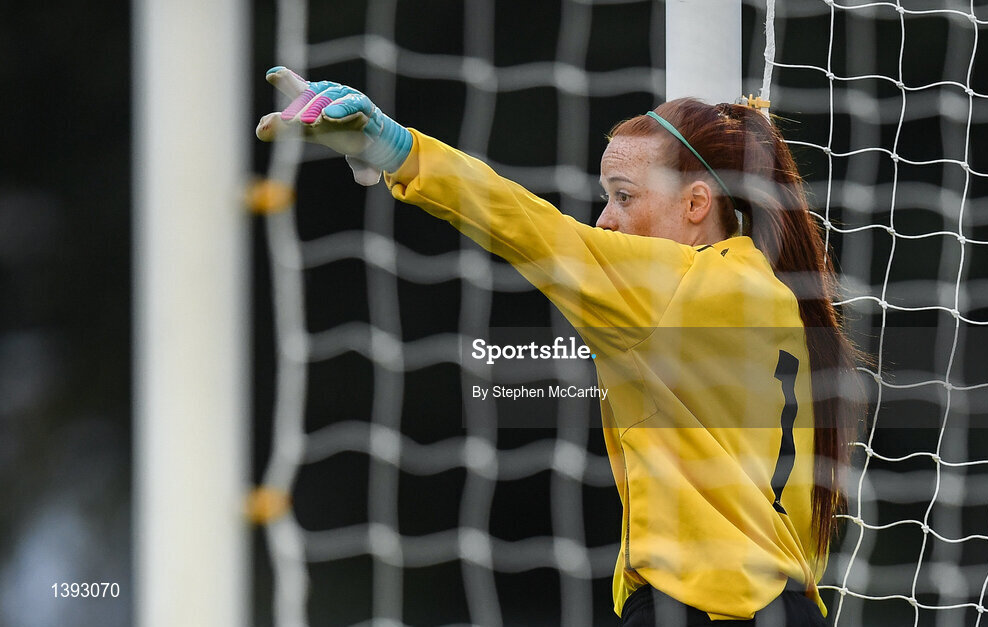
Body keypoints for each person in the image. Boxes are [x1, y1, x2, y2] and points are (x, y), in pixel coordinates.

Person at [257, 66, 863, 626]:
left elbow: (527, 226)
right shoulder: (775, 293)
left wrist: (398, 151)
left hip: (706, 604)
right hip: (786, 604)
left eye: (624, 196)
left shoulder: (669, 287)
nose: (605, 220)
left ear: (697, 202)